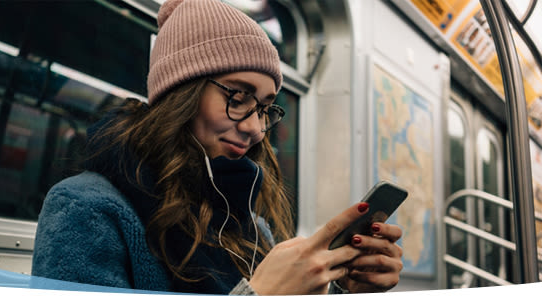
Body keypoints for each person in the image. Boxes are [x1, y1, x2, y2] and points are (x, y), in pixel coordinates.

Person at [31, 0, 403, 295]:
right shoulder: (88, 209)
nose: (256, 129)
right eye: (238, 96)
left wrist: (337, 285)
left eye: (264, 108)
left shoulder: (250, 225)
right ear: (181, 94)